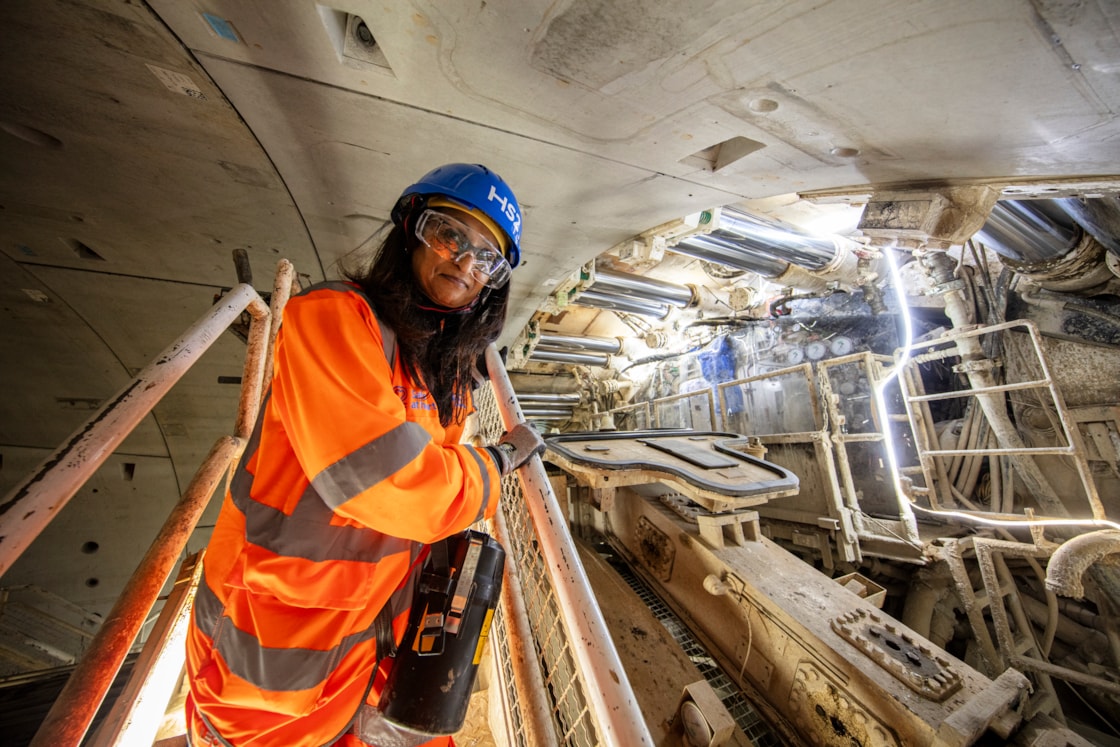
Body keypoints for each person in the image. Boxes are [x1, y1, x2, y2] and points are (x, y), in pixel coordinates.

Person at [185, 163, 544, 747]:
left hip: (364, 657)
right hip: (268, 663)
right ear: (409, 230)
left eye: (487, 259)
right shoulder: (334, 318)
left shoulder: (438, 376)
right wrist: (496, 463)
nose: (464, 263)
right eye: (449, 234)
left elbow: (425, 498)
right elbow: (397, 487)